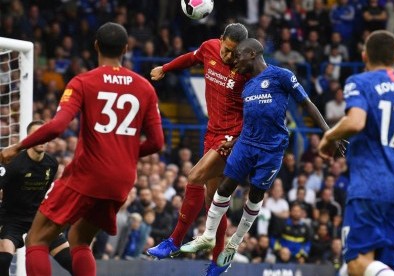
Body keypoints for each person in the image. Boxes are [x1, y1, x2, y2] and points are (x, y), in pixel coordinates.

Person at [0, 22, 164, 276]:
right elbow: (157, 143)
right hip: (121, 181)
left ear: (96, 45)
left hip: (88, 173)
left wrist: (17, 147)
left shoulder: (84, 82)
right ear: (126, 48)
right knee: (80, 239)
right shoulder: (145, 88)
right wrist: (122, 153)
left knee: (36, 238)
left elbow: (56, 127)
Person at [178, 38, 335, 272]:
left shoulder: (281, 75)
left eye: (238, 56)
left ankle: (235, 242)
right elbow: (246, 119)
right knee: (224, 188)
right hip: (246, 144)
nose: (234, 61)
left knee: (255, 195)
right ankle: (208, 236)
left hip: (271, 148)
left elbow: (307, 103)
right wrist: (233, 142)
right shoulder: (247, 86)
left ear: (251, 54)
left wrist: (328, 132)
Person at [318, 30, 394, 276]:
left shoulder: (360, 82)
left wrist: (329, 136)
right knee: (371, 266)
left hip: (369, 187)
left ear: (364, 56)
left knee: (356, 262)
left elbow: (355, 122)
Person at [146, 23, 250, 274]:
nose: (228, 57)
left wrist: (238, 140)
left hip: (230, 138)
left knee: (193, 177)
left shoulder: (247, 70)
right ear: (221, 39)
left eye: (234, 53)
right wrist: (165, 68)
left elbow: (255, 110)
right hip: (211, 132)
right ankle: (218, 261)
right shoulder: (208, 48)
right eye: (226, 50)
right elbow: (190, 58)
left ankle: (174, 241)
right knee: (214, 201)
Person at [0, 120, 72, 275]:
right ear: (28, 138)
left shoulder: (51, 163)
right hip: (12, 219)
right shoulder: (13, 163)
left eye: (45, 135)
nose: (41, 139)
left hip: (38, 218)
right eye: (36, 135)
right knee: (3, 260)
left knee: (70, 260)